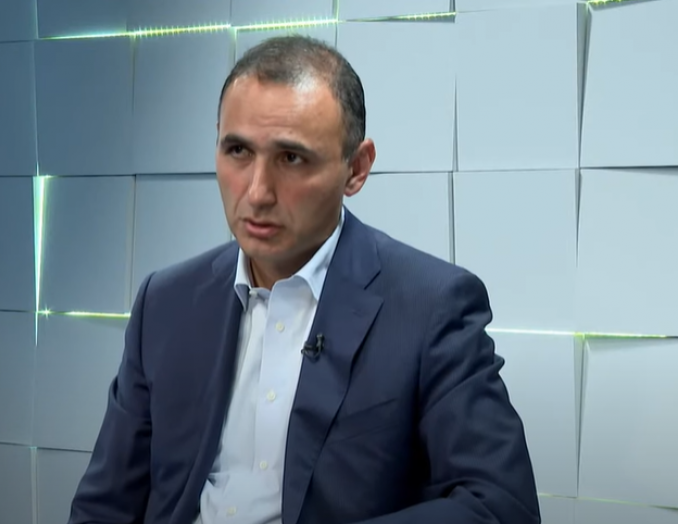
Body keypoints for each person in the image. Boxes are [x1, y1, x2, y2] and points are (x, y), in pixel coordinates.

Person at [68, 34, 541, 524]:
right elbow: (105, 507)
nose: (257, 192)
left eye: (291, 158)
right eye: (238, 150)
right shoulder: (165, 302)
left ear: (356, 169)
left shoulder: (431, 307)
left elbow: (500, 507)